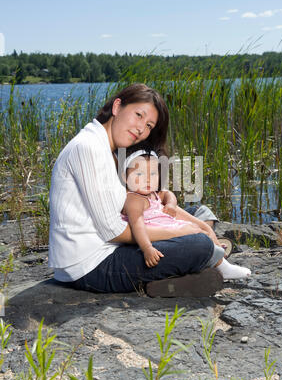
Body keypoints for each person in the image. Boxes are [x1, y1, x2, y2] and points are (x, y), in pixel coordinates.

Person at [47, 83, 244, 298]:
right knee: (199, 244)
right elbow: (114, 232)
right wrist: (184, 231)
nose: (142, 129)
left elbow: (143, 199)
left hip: (111, 244)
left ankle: (194, 261)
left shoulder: (107, 148)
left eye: (149, 125)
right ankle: (199, 261)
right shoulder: (88, 148)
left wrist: (174, 207)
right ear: (117, 107)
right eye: (138, 115)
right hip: (91, 266)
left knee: (195, 212)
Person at [120, 144, 251, 279]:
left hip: (168, 225)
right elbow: (137, 225)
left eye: (152, 174)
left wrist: (170, 204)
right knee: (198, 234)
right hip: (156, 237)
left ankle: (213, 248)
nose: (147, 179)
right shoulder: (134, 200)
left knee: (201, 220)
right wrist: (147, 248)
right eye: (140, 174)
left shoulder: (151, 193)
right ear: (125, 177)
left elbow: (167, 194)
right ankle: (223, 267)